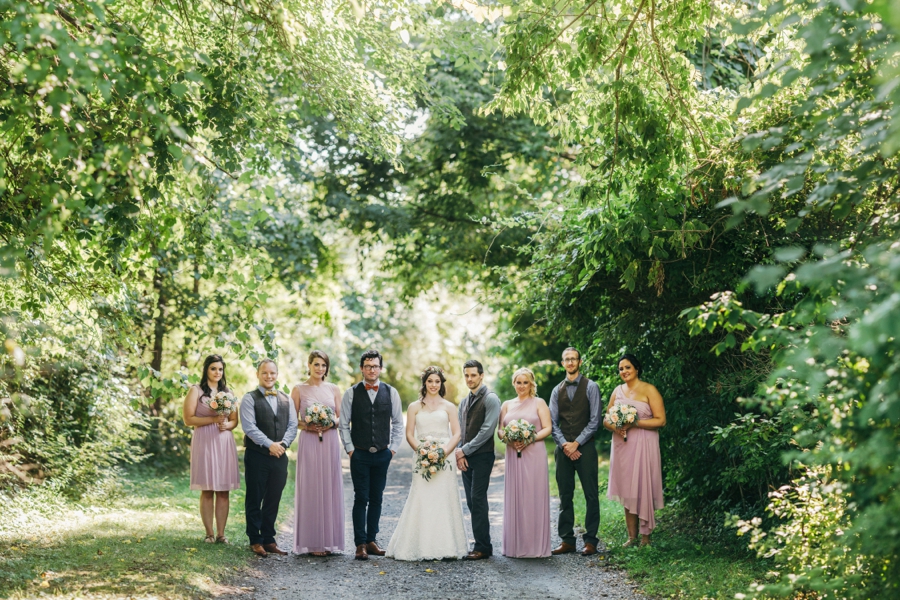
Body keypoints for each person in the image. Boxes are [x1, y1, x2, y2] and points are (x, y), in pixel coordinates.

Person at [386, 366, 468, 560]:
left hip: (444, 458)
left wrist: (443, 452)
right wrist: (423, 453)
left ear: (441, 384)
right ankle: (419, 545)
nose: (433, 385)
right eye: (430, 381)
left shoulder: (449, 407)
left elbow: (457, 434)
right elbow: (409, 434)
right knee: (422, 496)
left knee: (443, 498)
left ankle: (447, 546)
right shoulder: (415, 407)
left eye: (437, 381)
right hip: (421, 456)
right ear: (424, 383)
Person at [338, 349, 404, 561]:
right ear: (362, 368)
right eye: (368, 366)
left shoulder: (391, 392)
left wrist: (392, 449)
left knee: (377, 497)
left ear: (380, 368)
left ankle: (372, 540)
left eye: (375, 366)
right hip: (360, 454)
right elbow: (343, 424)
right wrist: (350, 449)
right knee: (361, 498)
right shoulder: (351, 393)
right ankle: (360, 544)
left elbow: (397, 423)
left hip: (383, 454)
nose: (371, 369)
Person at [604, 353, 665, 547]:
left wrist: (635, 422)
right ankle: (632, 537)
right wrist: (617, 426)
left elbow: (660, 420)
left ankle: (646, 537)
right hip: (623, 445)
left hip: (645, 443)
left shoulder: (649, 389)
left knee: (643, 486)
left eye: (627, 367)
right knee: (628, 489)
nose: (624, 372)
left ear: (636, 369)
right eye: (621, 369)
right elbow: (606, 418)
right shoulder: (617, 391)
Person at [240, 358, 298, 558]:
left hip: (280, 456)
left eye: (272, 373)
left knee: (274, 498)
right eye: (265, 373)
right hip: (257, 456)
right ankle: (255, 540)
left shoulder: (286, 399)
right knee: (255, 497)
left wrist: (282, 445)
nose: (269, 376)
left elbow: (292, 425)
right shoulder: (249, 398)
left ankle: (269, 539)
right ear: (258, 374)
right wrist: (269, 444)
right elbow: (249, 427)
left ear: (277, 374)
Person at [549, 347, 602, 556]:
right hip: (563, 449)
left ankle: (591, 541)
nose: (570, 363)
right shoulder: (556, 390)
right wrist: (565, 445)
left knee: (591, 494)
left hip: (586, 447)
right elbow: (552, 424)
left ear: (580, 362)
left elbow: (595, 421)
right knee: (564, 495)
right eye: (566, 359)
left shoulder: (592, 387)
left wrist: (576, 443)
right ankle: (567, 540)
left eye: (574, 359)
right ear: (562, 363)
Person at [291, 350, 344, 556]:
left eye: (323, 365)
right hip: (309, 440)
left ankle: (328, 541)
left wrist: (329, 422)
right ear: (309, 365)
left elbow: (341, 418)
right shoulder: (299, 389)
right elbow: (292, 420)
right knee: (311, 487)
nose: (320, 368)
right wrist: (308, 425)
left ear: (326, 368)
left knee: (329, 487)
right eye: (316, 364)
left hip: (330, 440)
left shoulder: (333, 389)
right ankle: (312, 542)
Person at [183, 354, 240, 544]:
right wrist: (213, 420)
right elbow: (188, 419)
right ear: (206, 369)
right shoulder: (196, 390)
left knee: (223, 490)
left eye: (220, 369)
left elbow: (234, 420)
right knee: (207, 489)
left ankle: (221, 534)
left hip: (223, 442)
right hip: (204, 441)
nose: (217, 372)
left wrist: (228, 426)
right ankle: (209, 533)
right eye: (213, 368)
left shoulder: (228, 392)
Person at [498, 368, 552, 558]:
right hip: (513, 453)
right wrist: (509, 439)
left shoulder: (539, 403)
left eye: (525, 382)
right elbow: (500, 430)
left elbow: (548, 428)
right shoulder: (506, 405)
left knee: (533, 494)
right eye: (518, 382)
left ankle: (536, 546)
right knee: (516, 495)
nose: (522, 386)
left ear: (531, 384)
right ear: (514, 383)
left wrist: (530, 438)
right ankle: (515, 545)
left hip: (534, 453)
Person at [455, 359, 501, 560]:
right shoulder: (464, 402)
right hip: (466, 457)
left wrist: (464, 450)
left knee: (478, 499)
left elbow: (486, 431)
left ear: (481, 376)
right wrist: (459, 452)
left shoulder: (491, 399)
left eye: (473, 375)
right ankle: (481, 544)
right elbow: (459, 431)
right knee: (472, 503)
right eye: (466, 375)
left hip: (482, 456)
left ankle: (483, 546)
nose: (470, 379)